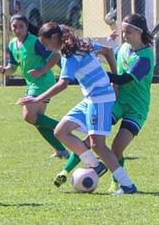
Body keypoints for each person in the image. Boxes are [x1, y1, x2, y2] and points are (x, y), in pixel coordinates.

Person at [21, 23, 138, 195]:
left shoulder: (70, 55)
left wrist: (38, 99)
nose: (46, 48)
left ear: (54, 38)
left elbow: (63, 83)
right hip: (91, 98)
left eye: (46, 44)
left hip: (101, 100)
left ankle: (128, 185)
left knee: (98, 145)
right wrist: (114, 79)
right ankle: (96, 166)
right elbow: (107, 51)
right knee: (61, 131)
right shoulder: (82, 44)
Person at [53, 14, 156, 193]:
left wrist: (98, 76)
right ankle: (67, 170)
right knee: (93, 139)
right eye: (123, 32)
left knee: (117, 147)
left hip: (137, 107)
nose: (125, 36)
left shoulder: (145, 57)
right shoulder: (124, 48)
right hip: (116, 100)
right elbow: (108, 55)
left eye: (128, 32)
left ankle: (118, 184)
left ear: (139, 32)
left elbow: (124, 79)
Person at [0, 14, 67, 159]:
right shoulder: (12, 44)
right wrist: (3, 70)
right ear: (10, 27)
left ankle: (66, 128)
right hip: (32, 84)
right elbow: (13, 68)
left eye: (21, 26)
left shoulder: (35, 42)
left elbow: (55, 56)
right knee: (37, 120)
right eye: (15, 26)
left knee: (28, 116)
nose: (18, 29)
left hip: (43, 82)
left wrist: (41, 70)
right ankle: (61, 150)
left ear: (27, 27)